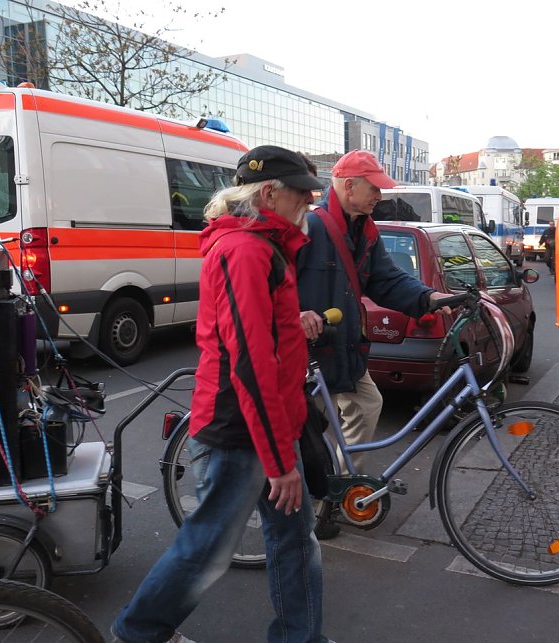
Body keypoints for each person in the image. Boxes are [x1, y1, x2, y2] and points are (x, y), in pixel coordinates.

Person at [112, 146, 333, 643]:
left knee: (294, 542)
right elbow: (249, 362)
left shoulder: (263, 247)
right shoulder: (246, 251)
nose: (308, 202)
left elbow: (259, 337)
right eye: (301, 193)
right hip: (240, 431)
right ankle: (138, 632)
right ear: (269, 193)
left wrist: (291, 324)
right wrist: (280, 461)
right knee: (208, 548)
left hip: (262, 425)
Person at [295, 150, 449, 538]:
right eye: (374, 189)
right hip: (309, 351)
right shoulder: (310, 227)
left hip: (345, 346)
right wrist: (295, 316)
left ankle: (342, 490)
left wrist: (427, 298)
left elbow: (386, 279)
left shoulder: (365, 230)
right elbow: (278, 282)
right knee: (305, 431)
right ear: (349, 186)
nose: (380, 196)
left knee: (366, 404)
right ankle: (312, 504)